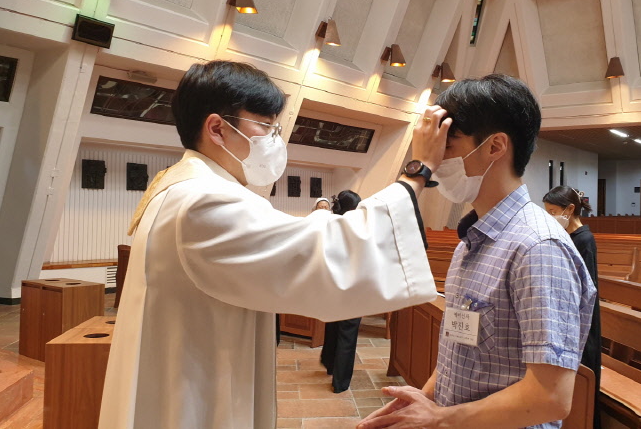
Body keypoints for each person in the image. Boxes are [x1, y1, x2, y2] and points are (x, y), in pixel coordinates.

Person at [99, 60, 450, 428]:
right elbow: (323, 249)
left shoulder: (181, 187)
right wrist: (418, 170)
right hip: (194, 394)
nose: (275, 139)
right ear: (217, 128)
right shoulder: (203, 201)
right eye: (266, 126)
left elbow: (294, 237)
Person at [358, 74, 596, 429]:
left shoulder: (538, 248)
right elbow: (461, 347)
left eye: (446, 146)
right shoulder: (472, 239)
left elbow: (550, 398)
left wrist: (440, 419)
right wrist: (425, 400)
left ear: (494, 146)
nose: (436, 163)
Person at [543, 185, 602, 429]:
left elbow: (585, 287)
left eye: (552, 211)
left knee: (581, 380)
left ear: (569, 209)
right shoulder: (566, 236)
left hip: (579, 318)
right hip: (567, 314)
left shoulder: (584, 239)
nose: (550, 216)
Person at [320, 190, 364, 393]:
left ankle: (330, 363)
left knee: (333, 326)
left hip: (332, 283)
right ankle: (340, 382)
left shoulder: (329, 224)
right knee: (347, 333)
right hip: (352, 285)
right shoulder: (358, 228)